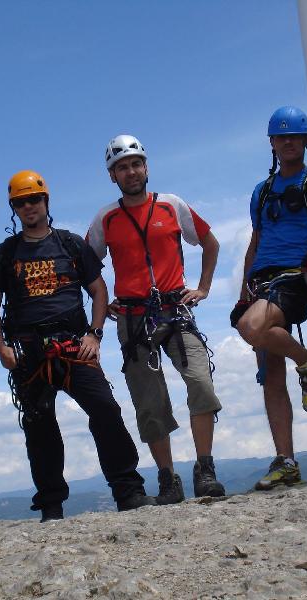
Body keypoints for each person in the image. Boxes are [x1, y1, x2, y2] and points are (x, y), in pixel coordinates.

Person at [0, 170, 155, 522]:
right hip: (28, 351)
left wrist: (95, 334)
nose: (29, 206)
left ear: (46, 201)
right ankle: (51, 505)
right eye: (21, 202)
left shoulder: (70, 244)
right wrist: (1, 348)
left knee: (106, 409)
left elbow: (98, 290)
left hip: (74, 345)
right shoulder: (5, 253)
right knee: (39, 424)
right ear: (13, 208)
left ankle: (128, 489)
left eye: (34, 199)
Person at [87, 135, 225, 505]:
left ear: (146, 167)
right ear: (112, 175)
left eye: (135, 164)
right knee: (150, 402)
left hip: (174, 309)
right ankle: (167, 478)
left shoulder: (171, 205)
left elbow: (209, 243)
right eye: (121, 167)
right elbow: (85, 265)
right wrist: (103, 299)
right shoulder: (106, 218)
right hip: (132, 317)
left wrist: (204, 288)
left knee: (201, 382)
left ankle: (205, 469)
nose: (130, 171)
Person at [233, 106, 307, 489]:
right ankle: (286, 460)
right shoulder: (262, 191)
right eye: (281, 137)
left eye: (295, 137)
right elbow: (256, 241)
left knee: (253, 327)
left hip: (298, 275)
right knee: (269, 372)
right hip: (261, 280)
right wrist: (243, 288)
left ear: (304, 141)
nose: (287, 143)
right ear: (272, 143)